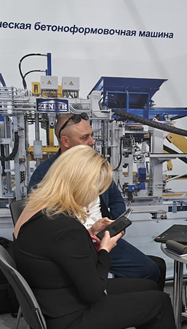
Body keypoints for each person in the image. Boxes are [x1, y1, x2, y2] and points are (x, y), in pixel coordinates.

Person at [14, 146, 187, 329]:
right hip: (67, 319)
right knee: (159, 303)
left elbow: (61, 255)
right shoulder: (66, 228)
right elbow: (93, 291)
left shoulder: (40, 212)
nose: (95, 194)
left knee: (148, 286)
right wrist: (104, 250)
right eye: (95, 187)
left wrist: (89, 232)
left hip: (52, 304)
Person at [28, 112, 166, 290]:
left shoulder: (94, 166)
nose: (92, 142)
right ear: (65, 141)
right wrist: (85, 236)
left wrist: (115, 224)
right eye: (85, 137)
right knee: (149, 271)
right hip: (74, 245)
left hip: (102, 235)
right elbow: (42, 222)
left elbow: (115, 198)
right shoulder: (46, 173)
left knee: (156, 267)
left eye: (92, 135)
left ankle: (131, 300)